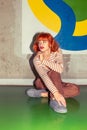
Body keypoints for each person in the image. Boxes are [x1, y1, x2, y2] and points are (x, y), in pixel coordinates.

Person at [26, 32, 80, 113]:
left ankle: (44, 94)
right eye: (39, 42)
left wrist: (44, 61)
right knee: (53, 73)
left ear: (50, 43)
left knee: (76, 89)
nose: (41, 44)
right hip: (42, 82)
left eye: (44, 42)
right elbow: (44, 76)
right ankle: (55, 101)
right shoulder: (36, 59)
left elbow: (60, 69)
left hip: (56, 81)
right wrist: (56, 93)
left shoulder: (57, 52)